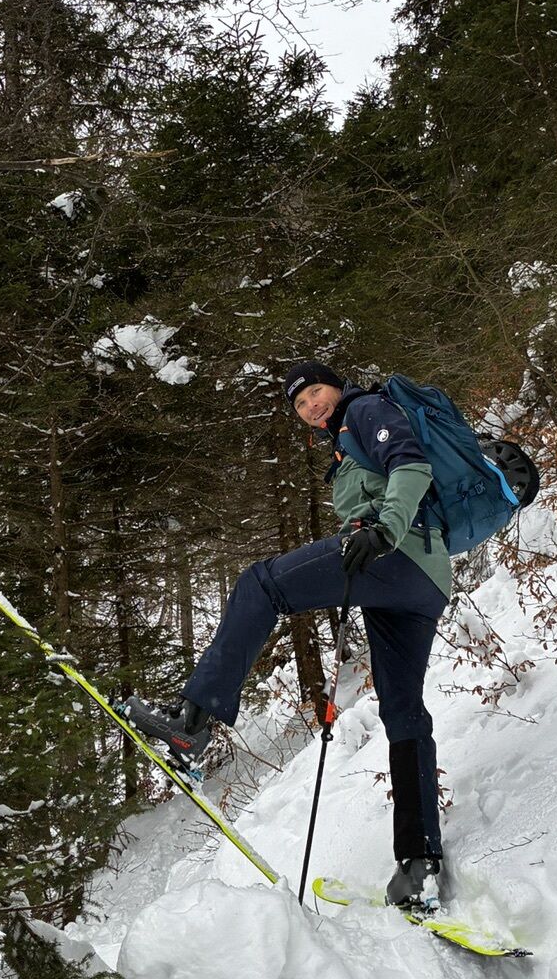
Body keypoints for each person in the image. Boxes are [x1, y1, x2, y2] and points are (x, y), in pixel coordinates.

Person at [123, 359, 452, 913]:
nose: (310, 406)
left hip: (397, 553)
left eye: (315, 391)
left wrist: (382, 530)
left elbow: (411, 466)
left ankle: (192, 723)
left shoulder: (365, 410)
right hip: (422, 580)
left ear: (337, 386)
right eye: (299, 404)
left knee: (260, 583)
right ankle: (419, 863)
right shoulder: (344, 443)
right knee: (403, 712)